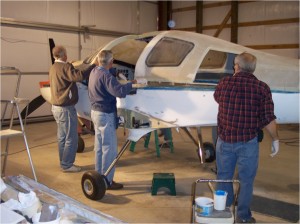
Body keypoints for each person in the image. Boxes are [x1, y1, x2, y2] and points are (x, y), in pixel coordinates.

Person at [213, 52, 279, 223]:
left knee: (223, 177)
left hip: (225, 140)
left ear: (237, 66)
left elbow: (217, 98)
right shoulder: (262, 88)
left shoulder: (224, 83)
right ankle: (243, 217)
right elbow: (268, 118)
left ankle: (223, 212)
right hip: (248, 142)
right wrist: (275, 139)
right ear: (253, 68)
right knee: (246, 181)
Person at [88, 50, 137, 190]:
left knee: (99, 147)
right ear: (111, 61)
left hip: (95, 113)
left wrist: (112, 71)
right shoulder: (107, 76)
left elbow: (106, 77)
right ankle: (107, 181)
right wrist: (131, 84)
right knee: (109, 149)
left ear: (98, 60)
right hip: (105, 114)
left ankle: (98, 176)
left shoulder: (94, 72)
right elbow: (119, 92)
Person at [49, 45, 96, 172]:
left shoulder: (53, 67)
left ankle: (63, 162)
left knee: (62, 137)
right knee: (71, 137)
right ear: (64, 55)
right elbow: (79, 77)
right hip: (66, 108)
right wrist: (92, 66)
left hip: (56, 108)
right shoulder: (65, 67)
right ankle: (67, 165)